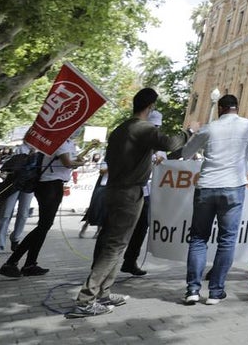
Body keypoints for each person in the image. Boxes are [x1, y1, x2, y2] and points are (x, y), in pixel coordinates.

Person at [68, 87, 192, 318]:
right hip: (128, 193)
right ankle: (86, 299)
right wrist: (188, 133)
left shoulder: (121, 129)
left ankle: (103, 292)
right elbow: (170, 143)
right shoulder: (142, 128)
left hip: (114, 190)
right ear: (150, 107)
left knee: (115, 243)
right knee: (115, 245)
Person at [180, 93, 248, 305]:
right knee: (227, 239)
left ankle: (192, 289)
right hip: (233, 186)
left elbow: (186, 152)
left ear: (220, 108)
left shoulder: (209, 128)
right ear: (237, 108)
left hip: (207, 186)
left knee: (198, 238)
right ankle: (215, 291)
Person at [0, 130, 85, 277]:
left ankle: (30, 264)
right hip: (49, 185)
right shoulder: (61, 141)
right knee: (43, 226)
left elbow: (68, 163)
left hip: (55, 184)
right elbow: (67, 162)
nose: (79, 129)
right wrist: (79, 163)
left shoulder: (69, 143)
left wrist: (76, 162)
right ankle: (11, 262)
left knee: (44, 227)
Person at [120, 109, 167, 277]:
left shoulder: (160, 150)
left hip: (147, 194)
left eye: (157, 127)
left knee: (141, 229)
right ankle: (103, 265)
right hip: (129, 190)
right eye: (152, 126)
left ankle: (130, 260)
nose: (155, 130)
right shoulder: (134, 141)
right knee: (121, 230)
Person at [0, 142, 36, 259]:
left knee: (23, 214)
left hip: (29, 186)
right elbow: (7, 168)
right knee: (5, 214)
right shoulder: (20, 149)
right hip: (13, 185)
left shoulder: (43, 152)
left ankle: (16, 238)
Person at [79, 159, 109, 238]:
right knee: (95, 208)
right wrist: (113, 167)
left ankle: (98, 231)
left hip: (112, 187)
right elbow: (102, 172)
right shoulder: (106, 161)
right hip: (102, 187)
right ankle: (85, 226)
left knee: (104, 210)